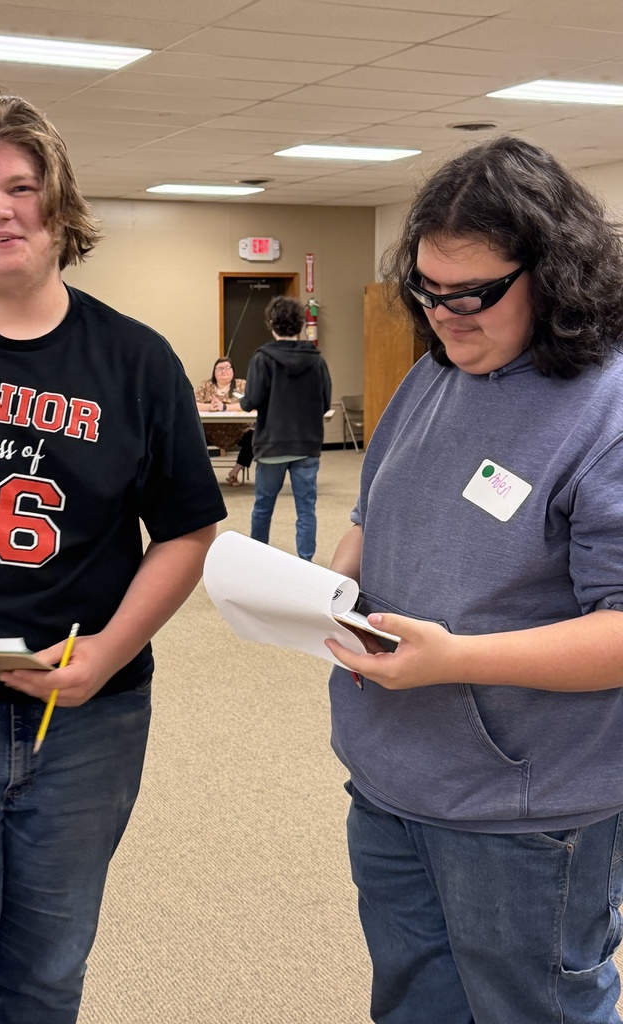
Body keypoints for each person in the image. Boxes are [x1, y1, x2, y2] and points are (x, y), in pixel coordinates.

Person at [0, 94, 226, 1024]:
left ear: (59, 206)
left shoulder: (136, 362)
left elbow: (186, 530)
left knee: (46, 977)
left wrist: (107, 652)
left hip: (85, 722)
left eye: (21, 186)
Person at [324, 134, 623, 1024]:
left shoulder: (605, 410)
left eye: (474, 294)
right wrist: (332, 578)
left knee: (535, 1010)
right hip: (392, 776)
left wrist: (455, 657)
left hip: (528, 811)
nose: (446, 314)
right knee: (415, 1006)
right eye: (428, 289)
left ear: (555, 274)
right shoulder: (431, 376)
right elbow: (376, 510)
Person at [240, 296, 331, 560]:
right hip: (307, 445)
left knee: (263, 507)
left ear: (271, 323)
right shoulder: (317, 360)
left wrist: (244, 401)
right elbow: (325, 402)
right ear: (301, 324)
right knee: (306, 509)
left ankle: (258, 559)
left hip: (272, 445)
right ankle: (306, 561)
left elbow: (251, 401)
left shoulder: (262, 358)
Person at [194, 356, 253, 485]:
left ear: (233, 370)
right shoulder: (206, 386)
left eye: (227, 368)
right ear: (214, 372)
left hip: (239, 431)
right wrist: (209, 407)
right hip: (210, 432)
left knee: (256, 437)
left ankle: (235, 472)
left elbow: (249, 404)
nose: (223, 371)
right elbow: (194, 404)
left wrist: (225, 407)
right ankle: (203, 474)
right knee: (191, 437)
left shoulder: (242, 385)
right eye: (219, 369)